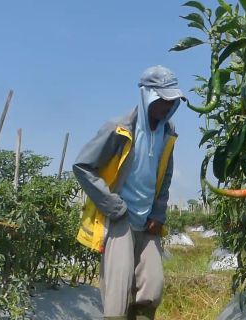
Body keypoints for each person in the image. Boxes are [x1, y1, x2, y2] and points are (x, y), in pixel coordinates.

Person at [72, 65, 185, 320]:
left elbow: (165, 176)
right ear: (148, 95)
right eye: (164, 100)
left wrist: (159, 212)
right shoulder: (119, 129)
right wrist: (112, 205)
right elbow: (82, 166)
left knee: (152, 288)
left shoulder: (167, 133)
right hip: (120, 220)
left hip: (147, 222)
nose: (168, 106)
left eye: (173, 101)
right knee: (118, 294)